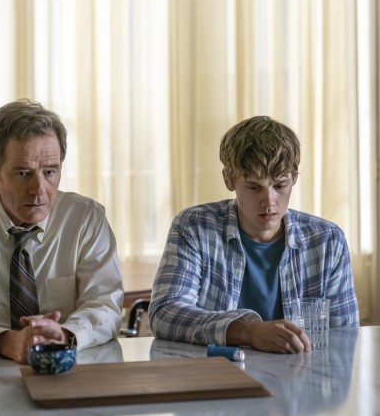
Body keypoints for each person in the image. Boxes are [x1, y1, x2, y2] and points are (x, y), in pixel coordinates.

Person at [0, 99, 124, 364]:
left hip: (66, 364)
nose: (38, 190)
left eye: (49, 172)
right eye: (22, 173)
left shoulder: (86, 218)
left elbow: (105, 304)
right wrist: (8, 342)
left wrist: (64, 335)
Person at [148, 116, 359, 354]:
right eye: (253, 187)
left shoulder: (328, 241)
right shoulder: (194, 227)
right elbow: (164, 313)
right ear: (228, 179)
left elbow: (346, 339)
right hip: (215, 373)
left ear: (294, 179)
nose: (269, 202)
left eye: (280, 185)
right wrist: (247, 331)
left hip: (304, 373)